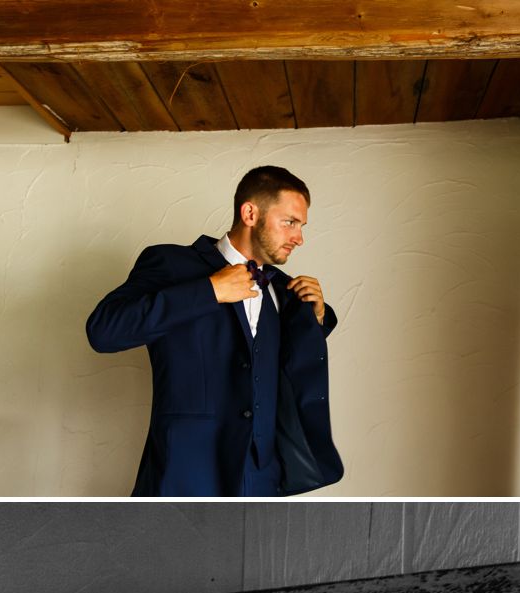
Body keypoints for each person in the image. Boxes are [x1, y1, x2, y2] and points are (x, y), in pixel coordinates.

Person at [85, 165, 340, 499]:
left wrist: (317, 317)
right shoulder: (171, 264)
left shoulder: (283, 289)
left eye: (301, 226)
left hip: (263, 481)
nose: (299, 237)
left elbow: (285, 369)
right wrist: (209, 291)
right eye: (290, 222)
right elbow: (104, 331)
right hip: (184, 476)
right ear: (250, 212)